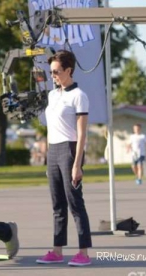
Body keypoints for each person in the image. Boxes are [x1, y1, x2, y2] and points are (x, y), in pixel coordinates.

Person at [36, 50, 92, 266]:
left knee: (75, 204)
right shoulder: (52, 95)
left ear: (69, 70)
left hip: (70, 151)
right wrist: (48, 157)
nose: (53, 76)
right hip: (53, 150)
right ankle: (57, 250)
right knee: (57, 204)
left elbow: (82, 134)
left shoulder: (79, 96)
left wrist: (77, 165)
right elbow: (51, 129)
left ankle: (83, 253)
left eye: (57, 71)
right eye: (51, 72)